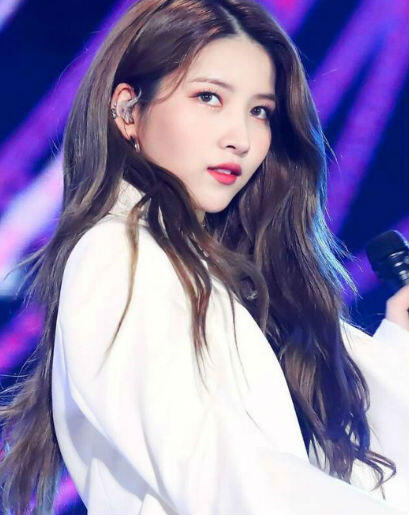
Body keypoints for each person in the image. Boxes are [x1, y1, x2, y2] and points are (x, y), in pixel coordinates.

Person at [0, 0, 408, 514]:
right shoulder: (117, 255)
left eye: (260, 112)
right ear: (128, 110)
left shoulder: (227, 277)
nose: (240, 138)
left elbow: (365, 475)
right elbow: (221, 481)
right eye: (209, 97)